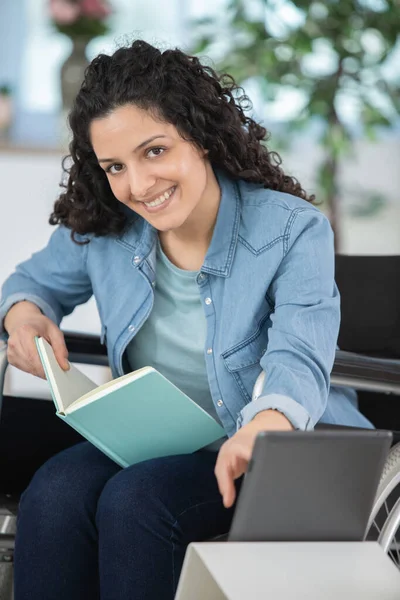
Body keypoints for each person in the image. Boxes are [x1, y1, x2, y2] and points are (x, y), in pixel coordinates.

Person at [0, 40, 373, 600]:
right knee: (53, 493)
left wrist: (263, 428)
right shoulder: (108, 224)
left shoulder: (292, 230)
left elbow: (300, 352)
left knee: (136, 501)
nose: (138, 186)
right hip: (154, 443)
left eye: (154, 151)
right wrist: (24, 316)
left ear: (197, 134)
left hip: (266, 449)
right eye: (115, 167)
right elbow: (31, 284)